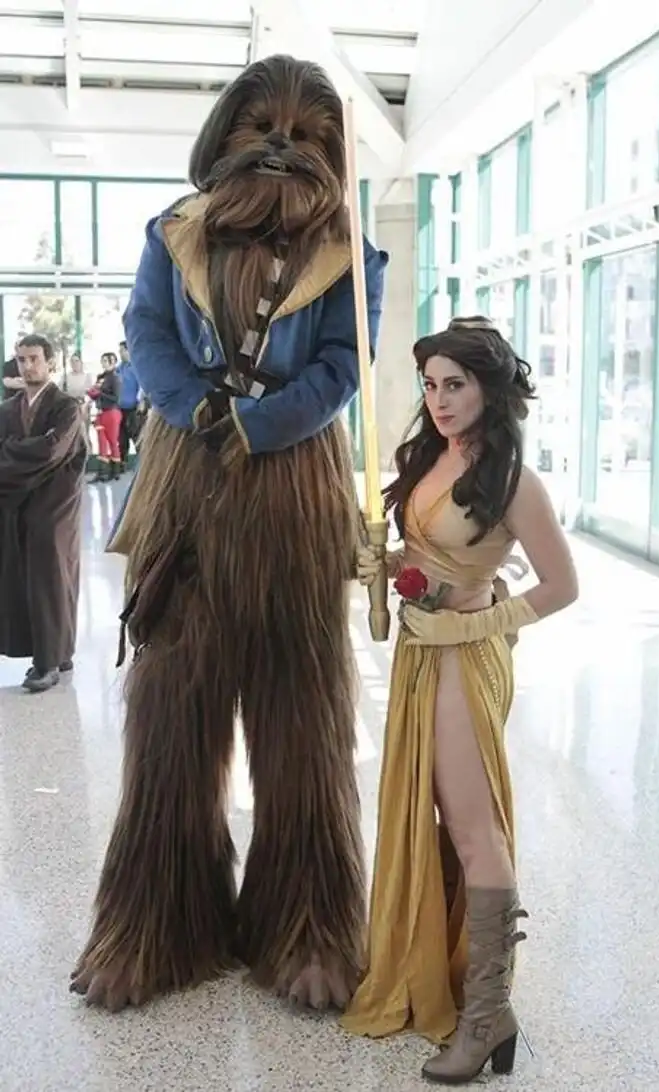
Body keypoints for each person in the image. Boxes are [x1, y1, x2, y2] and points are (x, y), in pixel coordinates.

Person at [70, 54, 388, 1014]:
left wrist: (257, 423)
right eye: (264, 127)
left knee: (303, 717)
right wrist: (194, 407)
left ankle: (309, 929)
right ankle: (153, 929)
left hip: (293, 489)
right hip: (188, 489)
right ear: (225, 136)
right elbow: (147, 334)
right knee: (171, 712)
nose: (284, 147)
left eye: (309, 134)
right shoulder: (174, 235)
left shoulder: (350, 255)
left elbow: (343, 367)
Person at [343, 316, 578, 1083]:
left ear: (490, 388)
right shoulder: (433, 457)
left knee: (474, 830)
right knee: (431, 813)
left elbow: (562, 587)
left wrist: (472, 623)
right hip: (419, 655)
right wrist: (386, 562)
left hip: (465, 660)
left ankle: (487, 1016)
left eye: (455, 384)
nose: (439, 400)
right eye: (430, 385)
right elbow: (427, 553)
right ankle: (452, 983)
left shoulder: (513, 481)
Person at [0, 334, 87, 692]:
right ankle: (56, 652)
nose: (27, 366)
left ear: (50, 362)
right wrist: (26, 449)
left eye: (34, 358)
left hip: (56, 505)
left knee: (51, 575)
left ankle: (48, 662)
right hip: (17, 502)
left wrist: (13, 449)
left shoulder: (67, 407)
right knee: (25, 578)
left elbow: (53, 452)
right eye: (21, 359)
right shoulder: (8, 409)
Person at [88, 353, 122, 482]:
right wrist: (92, 394)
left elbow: (116, 398)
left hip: (112, 412)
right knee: (101, 441)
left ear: (112, 362)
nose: (103, 363)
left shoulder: (115, 378)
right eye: (102, 361)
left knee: (112, 441)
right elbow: (97, 394)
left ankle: (115, 472)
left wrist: (100, 394)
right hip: (100, 412)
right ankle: (102, 472)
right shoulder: (100, 377)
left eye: (105, 361)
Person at [116, 340, 142, 470]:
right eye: (119, 350)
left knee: (136, 436)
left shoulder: (136, 367)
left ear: (128, 350)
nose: (120, 353)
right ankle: (122, 463)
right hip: (119, 408)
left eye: (122, 350)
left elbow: (142, 386)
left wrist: (141, 402)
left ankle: (142, 463)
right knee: (121, 438)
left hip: (134, 408)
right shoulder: (119, 368)